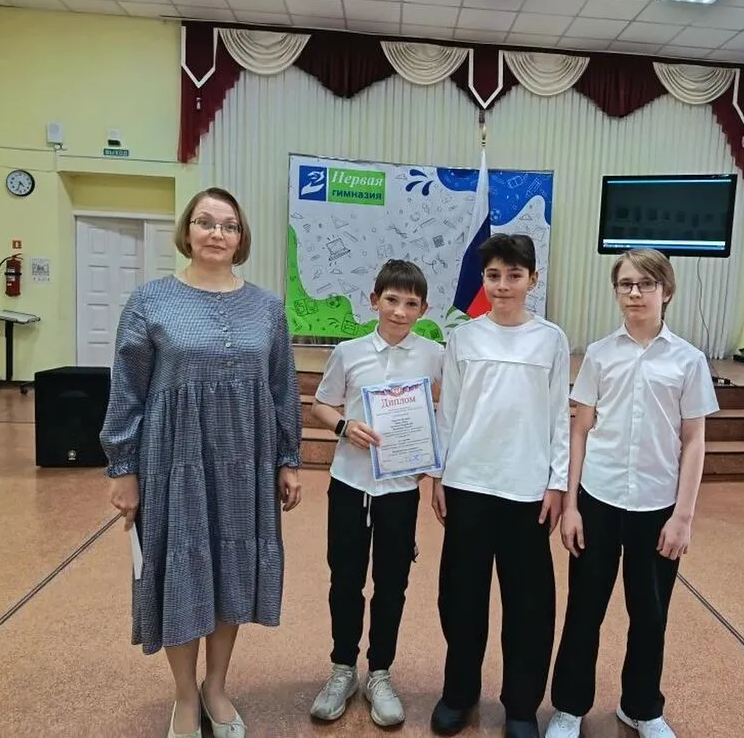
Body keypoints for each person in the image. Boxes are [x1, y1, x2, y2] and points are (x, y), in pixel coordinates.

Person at [100, 187, 304, 738]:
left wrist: (288, 459)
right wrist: (123, 468)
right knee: (182, 571)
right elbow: (127, 389)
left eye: (228, 225)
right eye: (205, 222)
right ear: (187, 231)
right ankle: (185, 696)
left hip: (246, 463)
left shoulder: (267, 308)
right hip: (174, 462)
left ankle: (216, 687)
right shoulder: (150, 301)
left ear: (241, 238)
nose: (217, 233)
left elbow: (282, 388)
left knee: (231, 570)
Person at [544, 249, 719, 738]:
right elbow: (579, 430)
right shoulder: (600, 354)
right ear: (616, 292)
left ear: (667, 291)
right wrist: (572, 505)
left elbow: (694, 440)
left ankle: (641, 708)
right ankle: (569, 707)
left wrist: (683, 516)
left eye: (646, 284)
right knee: (584, 610)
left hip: (657, 506)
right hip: (598, 499)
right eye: (626, 284)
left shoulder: (688, 360)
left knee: (650, 614)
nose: (635, 293)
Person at [429, 233, 570, 738]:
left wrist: (557, 483)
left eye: (514, 275)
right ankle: (459, 693)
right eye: (493, 276)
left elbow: (559, 416)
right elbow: (448, 412)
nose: (503, 285)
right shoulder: (464, 338)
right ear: (483, 280)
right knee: (461, 598)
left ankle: (521, 706)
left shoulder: (551, 339)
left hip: (527, 490)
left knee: (529, 605)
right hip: (468, 483)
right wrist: (440, 474)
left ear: (533, 279)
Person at [308, 259, 444, 728]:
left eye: (411, 303)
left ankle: (380, 673)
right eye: (391, 300)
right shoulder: (348, 352)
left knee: (392, 584)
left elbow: (445, 412)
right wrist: (344, 427)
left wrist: (430, 463)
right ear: (374, 301)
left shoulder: (434, 355)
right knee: (345, 580)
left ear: (424, 309)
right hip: (350, 484)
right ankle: (342, 669)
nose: (400, 311)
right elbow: (322, 405)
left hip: (400, 490)